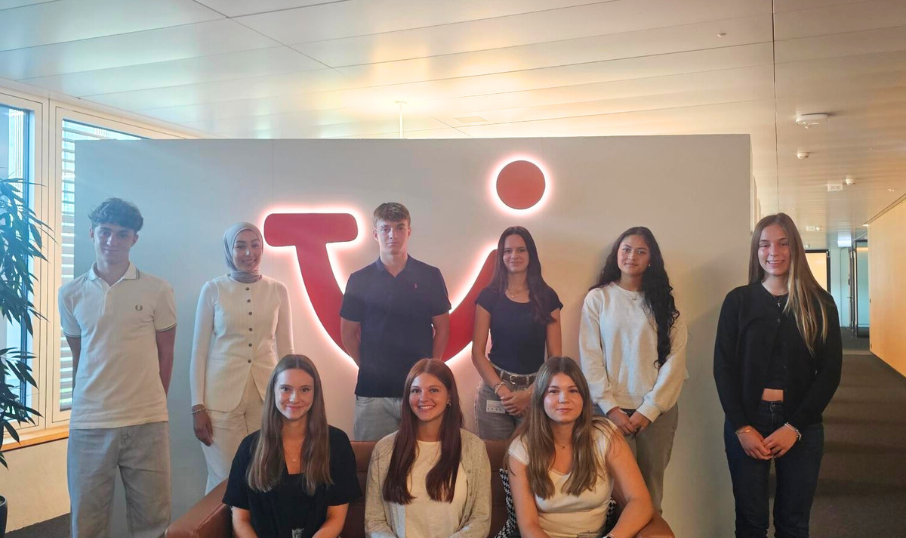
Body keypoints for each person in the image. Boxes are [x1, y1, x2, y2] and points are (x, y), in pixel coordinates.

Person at [714, 213, 842, 538]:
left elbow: (830, 372)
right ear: (756, 251)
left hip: (801, 424)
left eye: (783, 243)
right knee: (750, 523)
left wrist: (795, 427)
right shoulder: (738, 301)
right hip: (747, 423)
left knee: (793, 523)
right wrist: (741, 427)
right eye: (765, 244)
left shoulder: (820, 303)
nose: (774, 251)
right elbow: (723, 368)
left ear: (795, 248)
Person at [58, 198, 177, 538]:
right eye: (105, 232)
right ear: (92, 233)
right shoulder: (71, 294)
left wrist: (153, 402)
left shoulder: (157, 289)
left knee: (153, 523)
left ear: (134, 239)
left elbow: (165, 354)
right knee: (87, 524)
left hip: (146, 423)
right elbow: (81, 356)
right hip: (89, 424)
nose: (112, 241)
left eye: (122, 234)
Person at [578, 226, 687, 513]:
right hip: (608, 412)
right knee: (609, 497)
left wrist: (648, 411)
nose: (632, 256)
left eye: (641, 251)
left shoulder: (666, 304)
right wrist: (610, 407)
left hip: (656, 415)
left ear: (651, 259)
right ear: (617, 254)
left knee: (650, 496)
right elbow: (590, 357)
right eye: (626, 249)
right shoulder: (598, 299)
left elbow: (675, 362)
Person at [191, 221, 295, 493]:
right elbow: (199, 352)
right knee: (224, 478)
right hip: (220, 400)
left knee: (265, 474)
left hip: (266, 397)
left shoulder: (277, 290)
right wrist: (197, 406)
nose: (249, 252)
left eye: (254, 244)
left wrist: (291, 399)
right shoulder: (213, 289)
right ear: (229, 250)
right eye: (240, 246)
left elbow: (286, 351)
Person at [340, 202, 452, 441]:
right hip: (373, 393)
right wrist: (367, 365)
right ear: (375, 234)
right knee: (373, 465)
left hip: (419, 393)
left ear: (409, 231)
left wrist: (430, 371)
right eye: (386, 228)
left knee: (423, 463)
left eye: (400, 228)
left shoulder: (430, 276)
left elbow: (442, 329)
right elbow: (348, 335)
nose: (393, 235)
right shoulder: (359, 280)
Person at [507, 357, 653, 538]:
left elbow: (641, 502)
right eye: (553, 391)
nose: (563, 399)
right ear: (540, 399)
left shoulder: (606, 435)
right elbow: (528, 526)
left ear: (584, 398)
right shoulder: (521, 447)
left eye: (573, 390)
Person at [223, 354, 361, 538]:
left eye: (305, 389)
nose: (295, 398)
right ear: (274, 391)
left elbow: (335, 519)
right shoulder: (250, 447)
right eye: (286, 389)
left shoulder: (336, 443)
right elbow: (240, 521)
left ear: (315, 393)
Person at [365, 359, 491, 538]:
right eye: (416, 391)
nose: (423, 398)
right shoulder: (384, 449)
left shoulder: (474, 448)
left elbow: (481, 519)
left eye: (433, 390)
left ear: (449, 397)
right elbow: (374, 520)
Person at [472, 226, 562, 439]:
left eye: (521, 250)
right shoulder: (489, 296)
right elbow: (477, 353)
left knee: (531, 461)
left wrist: (529, 394)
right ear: (501, 256)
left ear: (531, 254)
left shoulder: (548, 297)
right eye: (507, 251)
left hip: (535, 389)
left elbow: (556, 358)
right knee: (496, 462)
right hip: (494, 390)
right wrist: (503, 392)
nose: (514, 256)